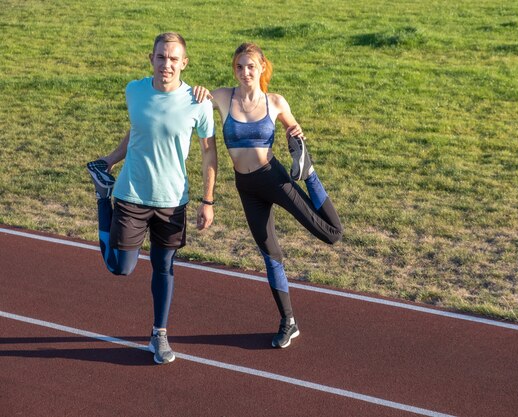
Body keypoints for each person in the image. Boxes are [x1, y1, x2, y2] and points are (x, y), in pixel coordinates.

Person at [199, 42, 343, 348]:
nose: (245, 72)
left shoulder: (276, 102)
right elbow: (194, 99)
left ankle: (312, 177)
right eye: (239, 66)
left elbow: (295, 132)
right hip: (246, 188)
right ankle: (288, 322)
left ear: (263, 67)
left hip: (274, 179)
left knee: (331, 234)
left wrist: (298, 137)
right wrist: (197, 90)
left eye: (251, 66)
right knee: (270, 254)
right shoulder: (223, 97)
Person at [86, 32, 217, 364]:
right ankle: (104, 197)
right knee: (120, 268)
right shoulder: (135, 90)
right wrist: (110, 161)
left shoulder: (199, 101)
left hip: (173, 200)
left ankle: (159, 334)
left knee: (164, 266)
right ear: (152, 59)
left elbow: (208, 153)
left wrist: (208, 200)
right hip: (132, 195)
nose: (167, 64)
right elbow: (139, 127)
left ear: (184, 63)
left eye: (174, 59)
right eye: (161, 57)